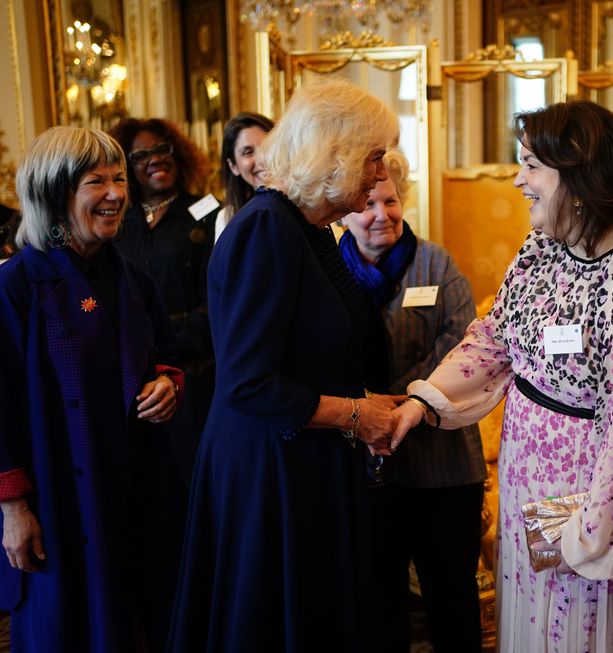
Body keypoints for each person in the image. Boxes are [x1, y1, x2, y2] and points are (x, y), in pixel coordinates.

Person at [392, 100, 613, 652]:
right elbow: (496, 337)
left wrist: (592, 533)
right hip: (527, 484)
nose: (518, 180)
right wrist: (425, 400)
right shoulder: (543, 249)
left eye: (531, 165)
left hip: (595, 502)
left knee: (586, 631)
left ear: (580, 176)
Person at [168, 78, 405, 652]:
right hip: (268, 471)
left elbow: (314, 354)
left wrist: (365, 402)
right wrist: (356, 415)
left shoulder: (307, 228)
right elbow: (249, 384)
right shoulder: (268, 229)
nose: (380, 174)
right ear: (336, 153)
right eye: (374, 157)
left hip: (300, 460)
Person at [0, 126, 186, 651]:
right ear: (54, 194)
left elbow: (166, 357)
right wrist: (13, 509)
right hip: (59, 498)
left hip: (140, 489)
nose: (115, 194)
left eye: (119, 179)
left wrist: (168, 385)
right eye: (96, 182)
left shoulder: (134, 278)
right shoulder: (15, 286)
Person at [339, 150, 486, 652]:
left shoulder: (437, 263)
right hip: (367, 467)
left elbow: (460, 348)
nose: (382, 214)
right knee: (378, 601)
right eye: (368, 204)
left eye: (391, 201)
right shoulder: (330, 273)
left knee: (452, 599)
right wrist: (366, 412)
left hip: (444, 468)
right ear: (344, 211)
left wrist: (395, 406)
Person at [109, 118, 219, 489]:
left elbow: (216, 294)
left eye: (162, 149)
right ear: (127, 166)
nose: (156, 158)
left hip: (195, 367)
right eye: (142, 155)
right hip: (133, 371)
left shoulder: (207, 211)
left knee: (195, 476)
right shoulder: (118, 221)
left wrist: (173, 347)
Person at [215, 111, 275, 243]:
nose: (261, 159)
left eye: (267, 147)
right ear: (233, 166)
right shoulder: (227, 218)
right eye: (248, 152)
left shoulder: (307, 205)